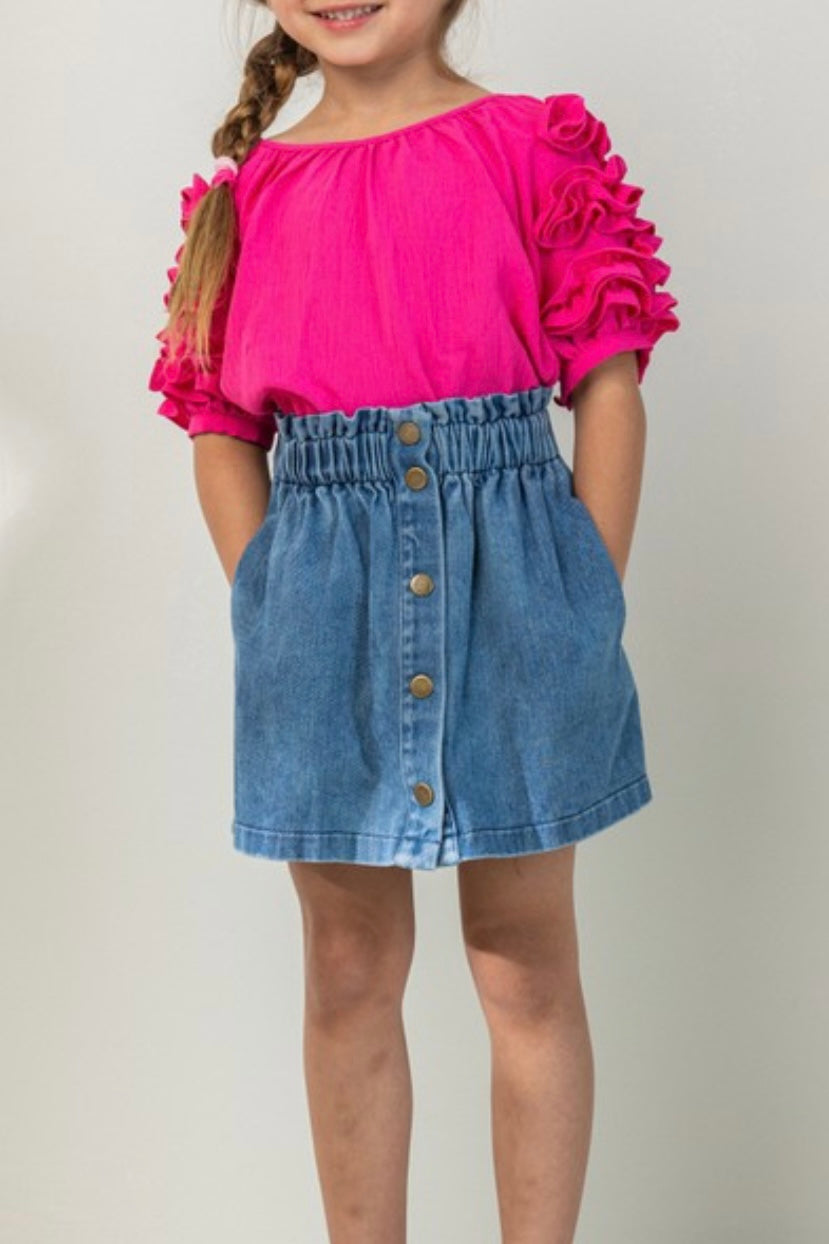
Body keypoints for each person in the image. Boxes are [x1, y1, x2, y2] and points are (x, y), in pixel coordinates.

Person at [146, 1, 680, 1238]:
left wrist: (583, 598)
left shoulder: (530, 147)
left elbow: (608, 389)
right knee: (345, 966)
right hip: (317, 612)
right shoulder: (248, 194)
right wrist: (271, 596)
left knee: (522, 959)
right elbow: (218, 428)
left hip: (522, 595)